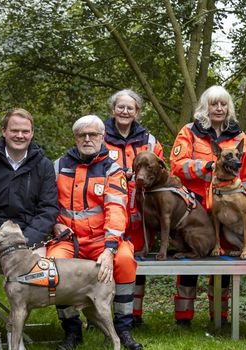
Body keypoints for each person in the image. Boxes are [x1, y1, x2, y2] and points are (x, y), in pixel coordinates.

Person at [0, 108, 59, 350]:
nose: (19, 135)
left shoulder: (44, 165)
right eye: (14, 130)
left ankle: (14, 333)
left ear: (32, 133)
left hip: (29, 240)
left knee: (40, 273)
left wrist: (26, 241)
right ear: (3, 132)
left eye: (25, 131)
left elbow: (48, 209)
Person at [49, 115, 142, 350]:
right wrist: (53, 224)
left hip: (103, 239)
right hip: (68, 238)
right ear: (75, 138)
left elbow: (116, 209)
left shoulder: (112, 168)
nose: (87, 139)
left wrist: (110, 248)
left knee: (124, 261)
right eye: (82, 135)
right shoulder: (58, 165)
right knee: (53, 265)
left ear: (102, 137)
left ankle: (123, 328)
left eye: (93, 135)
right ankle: (72, 329)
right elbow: (45, 203)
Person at [169, 85, 246, 325]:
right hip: (195, 206)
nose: (219, 108)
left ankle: (220, 317)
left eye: (223, 104)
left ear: (229, 108)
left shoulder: (239, 137)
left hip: (228, 207)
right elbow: (177, 165)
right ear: (205, 107)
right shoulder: (189, 132)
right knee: (191, 261)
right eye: (214, 104)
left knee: (224, 264)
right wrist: (206, 167)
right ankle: (183, 318)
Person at [103, 89, 163, 326]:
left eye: (130, 108)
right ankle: (103, 315)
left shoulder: (148, 140)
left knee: (136, 263)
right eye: (120, 107)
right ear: (113, 109)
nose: (125, 111)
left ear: (137, 112)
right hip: (107, 214)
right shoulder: (100, 135)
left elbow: (161, 170)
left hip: (141, 213)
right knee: (107, 262)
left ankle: (134, 314)